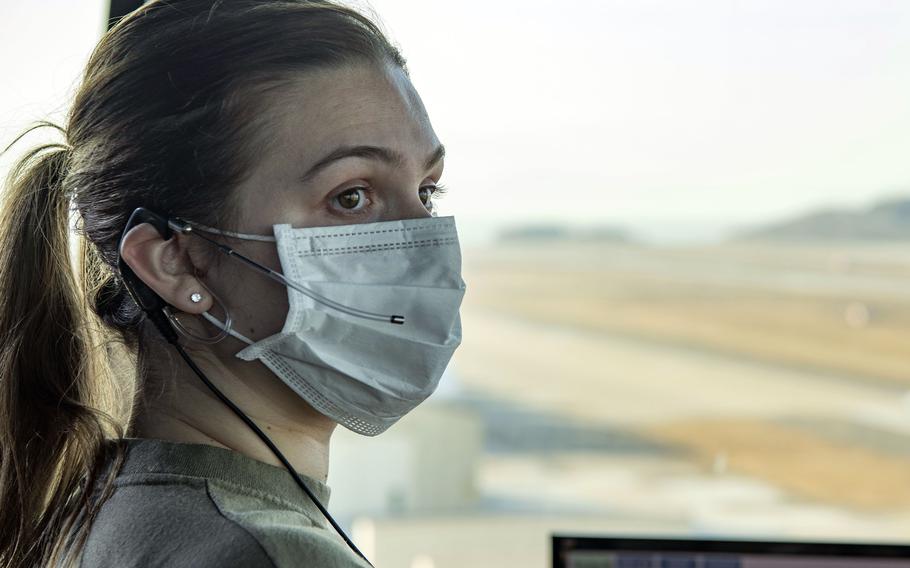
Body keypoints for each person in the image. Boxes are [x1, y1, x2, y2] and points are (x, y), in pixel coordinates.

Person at [0, 1, 465, 567]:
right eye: (351, 197)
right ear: (178, 263)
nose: (423, 241)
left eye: (427, 191)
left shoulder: (91, 510)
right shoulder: (270, 554)